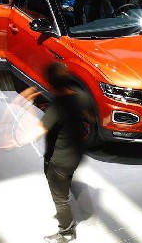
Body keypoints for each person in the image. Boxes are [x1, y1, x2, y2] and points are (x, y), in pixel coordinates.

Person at [19, 63, 92, 243]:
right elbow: (89, 116)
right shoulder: (82, 96)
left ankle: (66, 232)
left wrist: (28, 105)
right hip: (75, 154)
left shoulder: (56, 109)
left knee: (60, 199)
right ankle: (66, 185)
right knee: (66, 180)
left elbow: (35, 133)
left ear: (50, 84)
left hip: (58, 161)